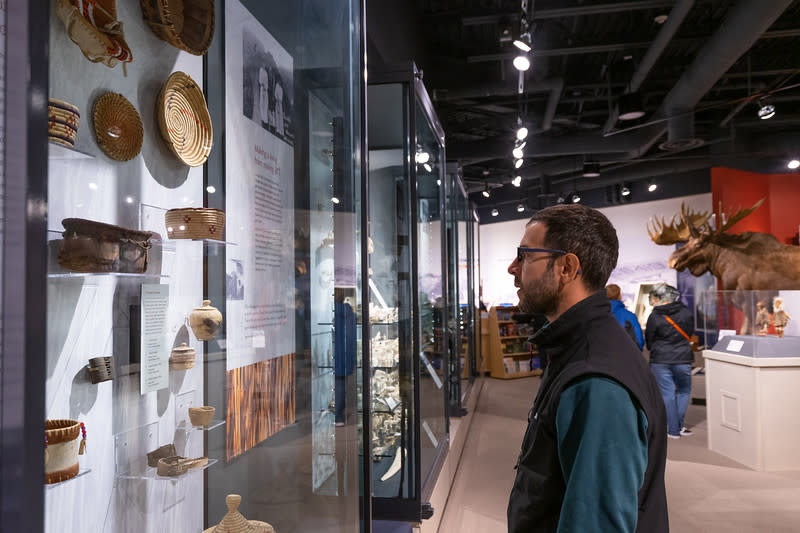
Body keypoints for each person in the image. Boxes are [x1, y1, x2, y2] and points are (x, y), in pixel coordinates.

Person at [506, 204, 668, 533]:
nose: (513, 267)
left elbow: (596, 523)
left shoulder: (596, 380)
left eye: (524, 256)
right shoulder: (579, 349)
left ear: (566, 267)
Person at [645, 283, 694, 439]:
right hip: (683, 358)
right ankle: (679, 425)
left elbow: (650, 340)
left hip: (660, 359)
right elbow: (690, 332)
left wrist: (658, 349)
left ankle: (673, 430)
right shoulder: (686, 313)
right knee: (684, 391)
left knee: (667, 394)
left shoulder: (654, 316)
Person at [606, 283, 644, 349]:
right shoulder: (629, 316)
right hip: (622, 356)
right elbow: (638, 342)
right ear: (619, 296)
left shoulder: (593, 314)